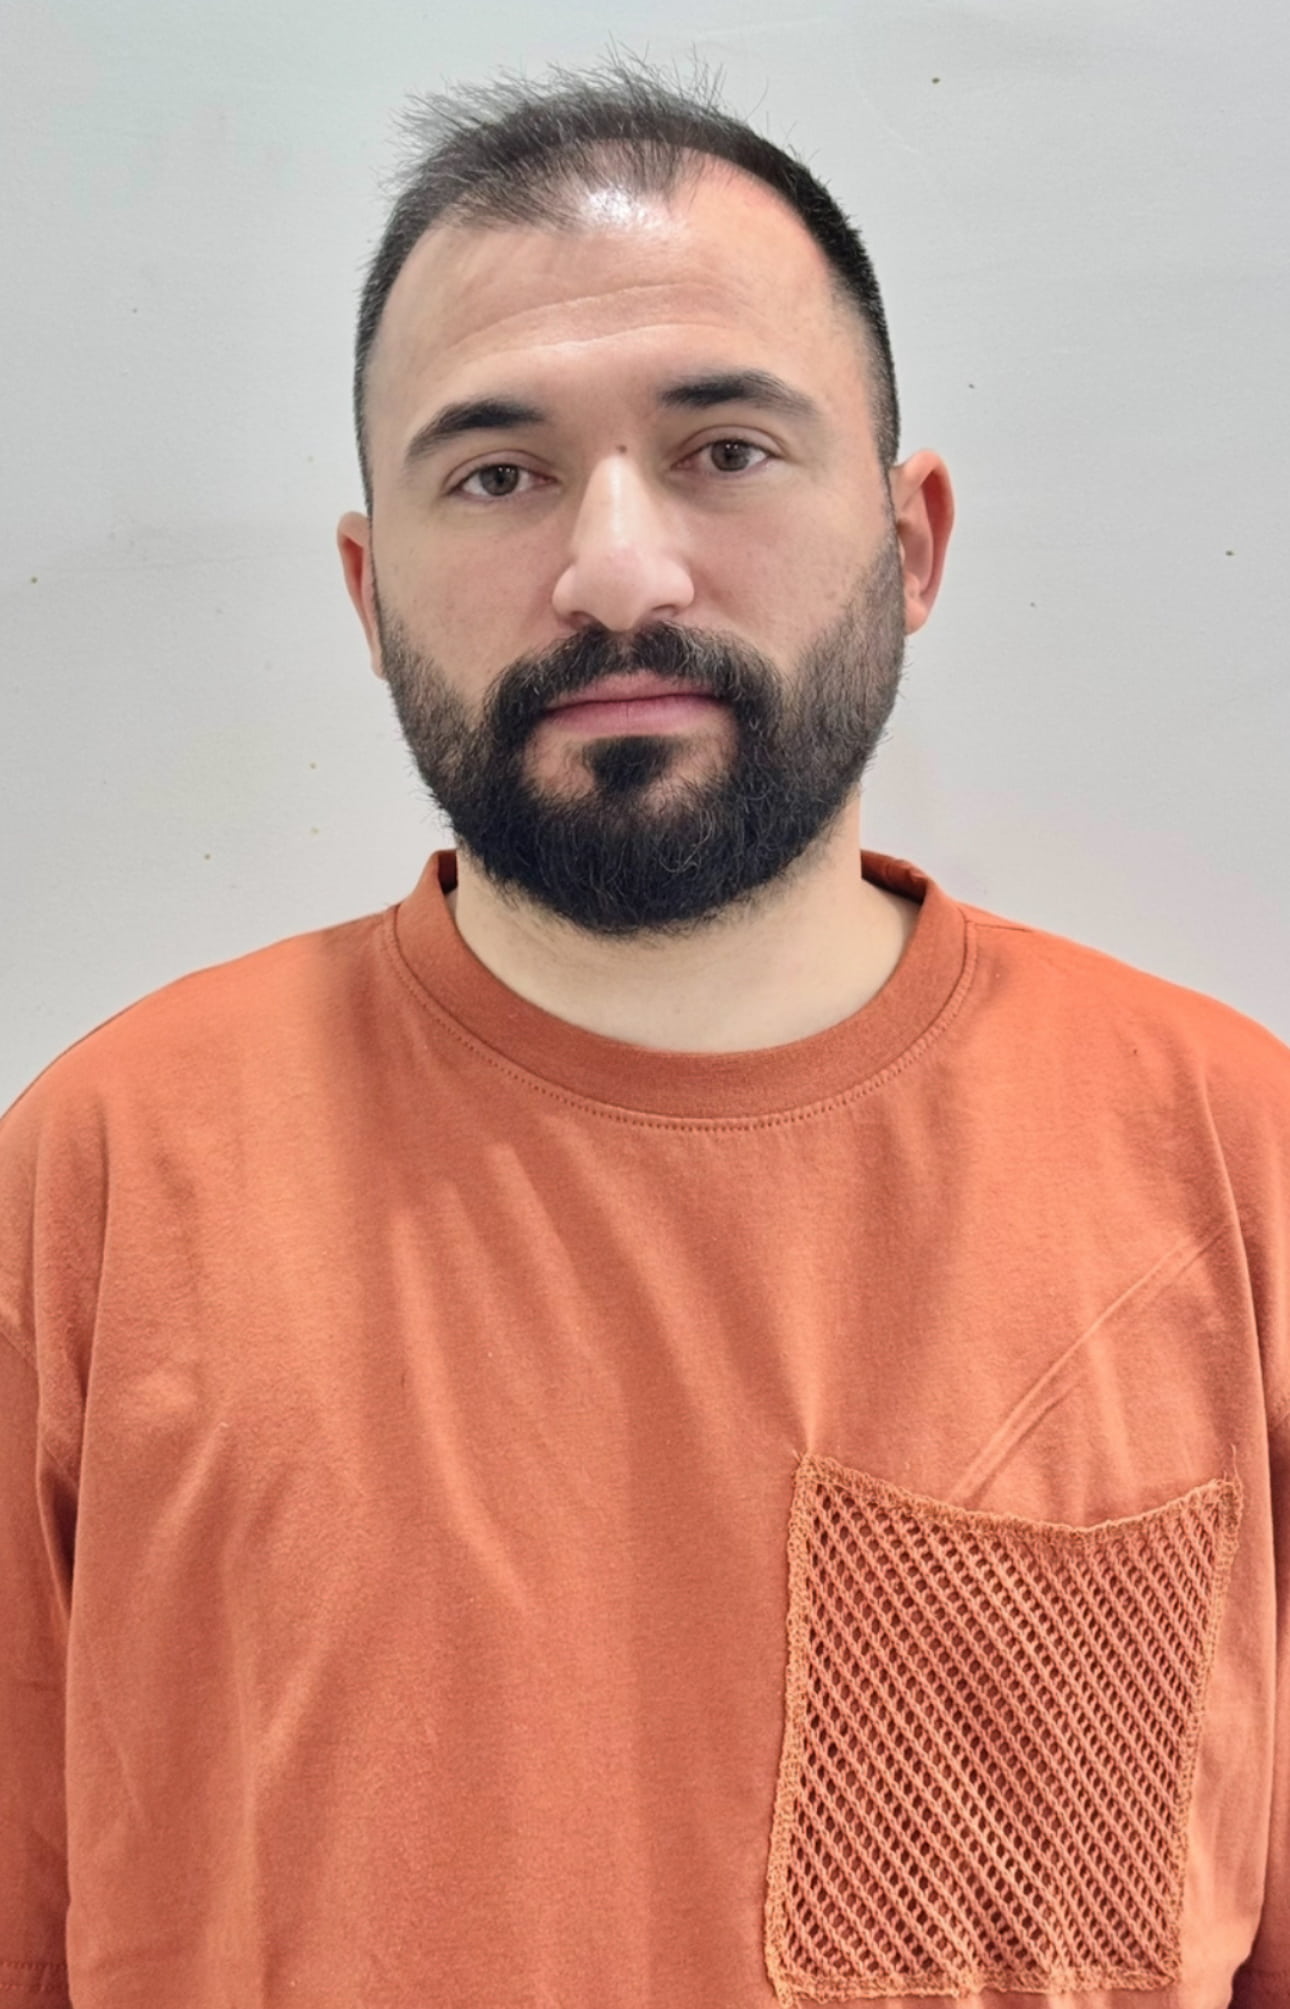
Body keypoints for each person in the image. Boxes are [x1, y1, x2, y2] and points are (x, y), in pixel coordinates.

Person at [1, 55, 1286, 2009]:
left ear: (911, 543)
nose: (614, 568)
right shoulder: (101, 1177)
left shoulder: (1231, 1163)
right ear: (369, 593)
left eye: (725, 449)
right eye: (495, 474)